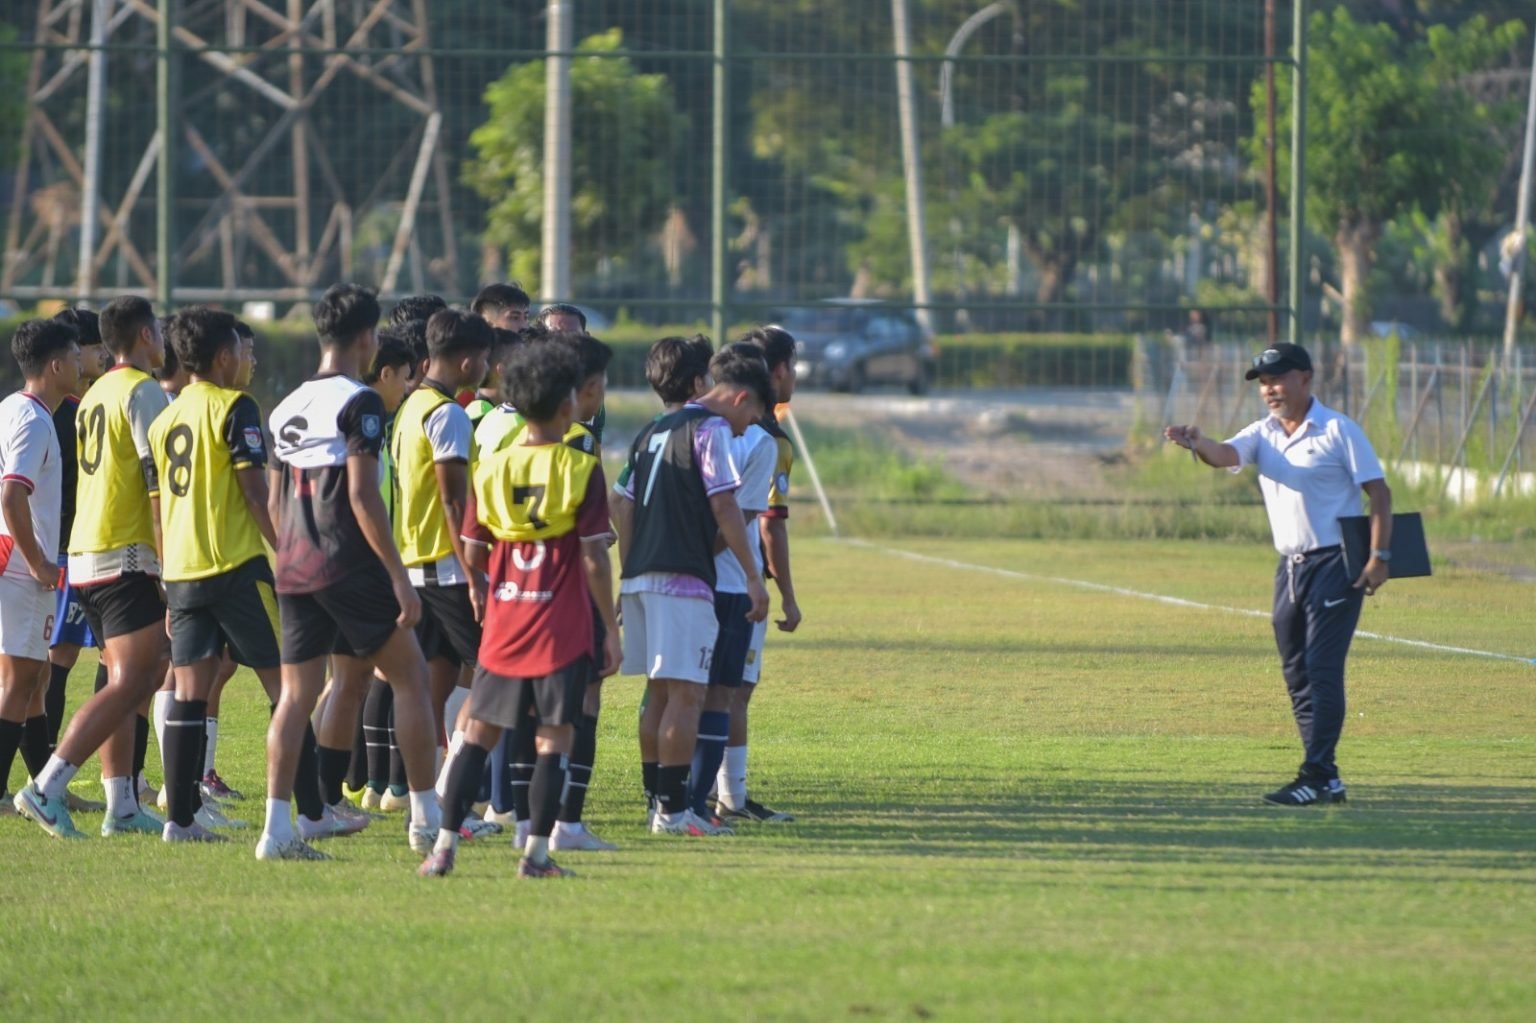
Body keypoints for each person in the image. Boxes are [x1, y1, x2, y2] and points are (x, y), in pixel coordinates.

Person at [418, 337, 620, 879]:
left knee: (479, 733)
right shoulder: (579, 470)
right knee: (555, 737)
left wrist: (481, 591)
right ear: (566, 406)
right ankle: (534, 855)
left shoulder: (492, 470)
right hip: (561, 624)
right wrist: (610, 628)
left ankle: (443, 847)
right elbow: (595, 558)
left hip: (506, 621)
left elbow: (475, 548)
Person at [1164, 342, 1391, 806]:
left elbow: (1379, 493)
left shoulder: (1337, 430)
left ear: (1305, 378)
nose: (1270, 388)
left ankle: (1316, 773)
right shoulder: (1263, 432)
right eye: (1263, 381)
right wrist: (1197, 443)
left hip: (1335, 563)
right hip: (1289, 568)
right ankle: (1324, 777)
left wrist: (1379, 555)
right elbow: (1226, 454)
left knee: (1322, 671)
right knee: (1297, 674)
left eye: (1278, 378)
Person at [262, 283, 442, 861]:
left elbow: (271, 502)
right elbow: (363, 495)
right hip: (346, 563)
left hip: (293, 566)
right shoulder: (360, 401)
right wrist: (396, 576)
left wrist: (290, 555)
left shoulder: (285, 405)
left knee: (297, 696)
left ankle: (278, 830)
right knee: (411, 676)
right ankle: (426, 818)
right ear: (367, 339)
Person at [16, 297, 170, 840]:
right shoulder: (144, 391)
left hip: (84, 550)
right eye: (158, 330)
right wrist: (167, 560)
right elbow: (157, 484)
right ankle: (45, 786)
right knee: (133, 680)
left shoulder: (94, 394)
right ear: (147, 335)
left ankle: (122, 805)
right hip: (123, 552)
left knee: (134, 676)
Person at [613, 341, 772, 837]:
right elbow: (725, 506)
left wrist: (632, 563)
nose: (750, 427)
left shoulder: (653, 429)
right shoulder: (713, 429)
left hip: (641, 575)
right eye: (757, 415)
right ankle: (675, 812)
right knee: (687, 695)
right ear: (743, 398)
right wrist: (751, 575)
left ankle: (657, 804)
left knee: (658, 695)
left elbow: (620, 504)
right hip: (684, 580)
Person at [149, 307, 286, 843]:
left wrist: (167, 578)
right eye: (246, 351)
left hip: (182, 572)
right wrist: (286, 548)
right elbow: (255, 491)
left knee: (187, 691)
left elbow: (158, 511)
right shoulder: (237, 407)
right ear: (225, 356)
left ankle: (179, 820)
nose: (251, 360)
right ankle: (317, 807)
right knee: (290, 685)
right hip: (234, 565)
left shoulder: (165, 419)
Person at [388, 310, 492, 791]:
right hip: (447, 570)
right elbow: (453, 501)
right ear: (469, 362)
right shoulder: (447, 413)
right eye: (487, 357)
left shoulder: (410, 405)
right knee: (495, 676)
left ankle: (425, 792)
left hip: (414, 565)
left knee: (439, 679)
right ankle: (456, 788)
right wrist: (474, 574)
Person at [689, 343, 779, 825]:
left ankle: (670, 798)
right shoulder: (757, 441)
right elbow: (737, 515)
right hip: (723, 586)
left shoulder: (677, 426)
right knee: (725, 692)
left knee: (676, 692)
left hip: (679, 580)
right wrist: (745, 573)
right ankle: (713, 801)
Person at [715, 325, 802, 822]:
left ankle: (704, 788)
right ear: (778, 371)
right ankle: (733, 796)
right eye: (793, 366)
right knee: (736, 689)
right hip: (735, 576)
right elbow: (771, 526)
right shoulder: (768, 439)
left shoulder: (710, 425)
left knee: (700, 686)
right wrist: (787, 594)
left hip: (696, 574)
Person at [0, 321, 80, 820]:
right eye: (74, 357)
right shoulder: (33, 419)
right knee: (21, 676)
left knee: (34, 677)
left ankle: (44, 786)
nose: (79, 365)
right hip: (21, 567)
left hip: (11, 559)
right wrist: (39, 563)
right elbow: (12, 493)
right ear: (55, 365)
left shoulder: (11, 406)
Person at [42, 309, 110, 814]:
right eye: (93, 348)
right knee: (54, 664)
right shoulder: (67, 413)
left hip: (67, 549)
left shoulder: (76, 407)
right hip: (61, 550)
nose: (101, 356)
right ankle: (47, 778)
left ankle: (45, 775)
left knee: (52, 664)